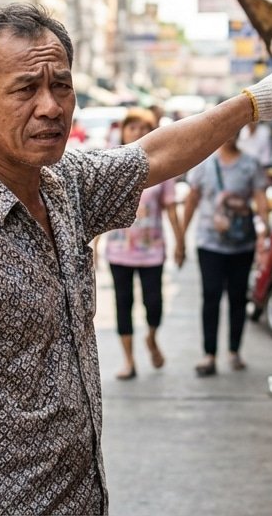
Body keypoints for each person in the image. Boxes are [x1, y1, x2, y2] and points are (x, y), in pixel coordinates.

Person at [0, 3, 272, 515]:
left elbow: (154, 154)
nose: (51, 107)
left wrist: (253, 103)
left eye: (62, 86)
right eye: (26, 89)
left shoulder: (62, 185)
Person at [179, 131, 268, 377]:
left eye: (235, 129)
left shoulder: (251, 164)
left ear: (241, 131)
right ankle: (209, 354)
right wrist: (180, 240)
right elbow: (191, 200)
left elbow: (261, 199)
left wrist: (264, 231)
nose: (229, 135)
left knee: (238, 298)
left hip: (242, 244)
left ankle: (234, 351)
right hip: (209, 244)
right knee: (211, 297)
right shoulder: (204, 164)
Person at [101, 108, 181, 380]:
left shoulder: (162, 168)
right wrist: (93, 246)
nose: (136, 132)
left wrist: (180, 242)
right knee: (122, 305)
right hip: (119, 251)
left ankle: (151, 337)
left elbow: (171, 209)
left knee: (154, 303)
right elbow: (98, 210)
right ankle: (129, 361)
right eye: (131, 127)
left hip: (152, 251)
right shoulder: (110, 167)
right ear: (122, 132)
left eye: (142, 128)